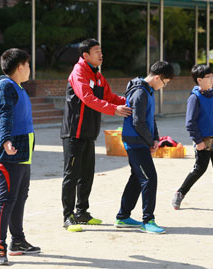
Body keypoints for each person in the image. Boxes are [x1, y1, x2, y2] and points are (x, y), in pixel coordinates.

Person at [60, 38, 132, 232]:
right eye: (96, 51)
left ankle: (82, 212)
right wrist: (114, 109)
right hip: (74, 132)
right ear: (85, 55)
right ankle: (68, 216)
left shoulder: (98, 76)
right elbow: (88, 98)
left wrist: (131, 100)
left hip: (89, 133)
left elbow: (110, 97)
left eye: (101, 50)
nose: (101, 54)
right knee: (71, 175)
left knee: (86, 175)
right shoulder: (78, 73)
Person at [0, 48, 40, 265]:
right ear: (20, 67)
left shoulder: (18, 87)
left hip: (22, 152)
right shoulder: (5, 87)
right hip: (9, 152)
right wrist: (5, 140)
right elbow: (5, 114)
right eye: (28, 65)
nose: (29, 68)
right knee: (6, 199)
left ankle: (18, 241)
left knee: (20, 197)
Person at [115, 61, 174, 234]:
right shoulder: (140, 92)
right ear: (157, 78)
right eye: (164, 83)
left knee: (137, 177)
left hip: (142, 141)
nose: (164, 86)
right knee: (150, 178)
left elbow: (150, 118)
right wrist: (149, 142)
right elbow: (137, 122)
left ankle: (123, 216)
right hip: (135, 142)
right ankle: (148, 220)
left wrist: (155, 138)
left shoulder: (148, 91)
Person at [171, 64, 213, 211]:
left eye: (212, 76)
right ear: (199, 80)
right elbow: (190, 123)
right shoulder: (194, 98)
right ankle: (180, 193)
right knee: (200, 168)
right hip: (203, 141)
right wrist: (198, 141)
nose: (212, 79)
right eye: (208, 77)